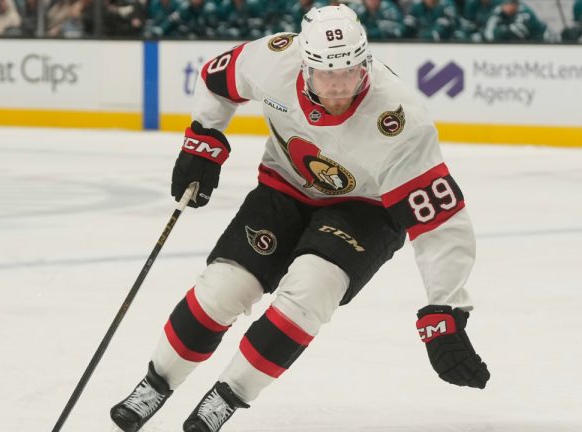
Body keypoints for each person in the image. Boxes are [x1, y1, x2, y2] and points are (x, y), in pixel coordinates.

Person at [110, 5, 490, 432]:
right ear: (304, 63)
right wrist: (203, 137)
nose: (338, 87)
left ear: (366, 63)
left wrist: (445, 308)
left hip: (366, 208)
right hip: (284, 187)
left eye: (349, 72)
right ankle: (156, 383)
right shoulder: (274, 59)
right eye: (326, 75)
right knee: (223, 288)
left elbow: (439, 220)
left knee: (311, 289)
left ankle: (229, 395)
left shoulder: (400, 121)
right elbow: (218, 80)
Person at [483, 0, 548, 42]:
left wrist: (500, 30)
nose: (503, 6)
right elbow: (489, 33)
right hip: (526, 42)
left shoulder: (525, 12)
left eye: (507, 4)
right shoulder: (500, 11)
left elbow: (518, 34)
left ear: (514, 5)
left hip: (541, 40)